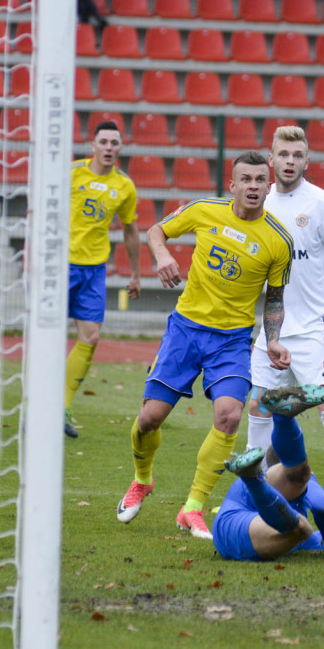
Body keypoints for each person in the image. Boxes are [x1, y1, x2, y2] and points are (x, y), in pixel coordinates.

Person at [115, 151, 294, 539]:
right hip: (185, 331)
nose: (252, 186)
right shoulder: (204, 210)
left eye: (259, 180)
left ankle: (193, 507)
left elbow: (275, 297)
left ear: (270, 186)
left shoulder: (280, 241)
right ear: (232, 185)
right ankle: (141, 480)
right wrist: (162, 256)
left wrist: (274, 340)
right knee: (149, 419)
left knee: (229, 416)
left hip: (230, 341)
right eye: (244, 179)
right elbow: (155, 231)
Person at [245, 125, 324, 525]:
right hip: (272, 334)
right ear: (271, 158)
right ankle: (253, 493)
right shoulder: (259, 205)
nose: (290, 161)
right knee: (259, 411)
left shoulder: (322, 203)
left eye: (298, 155)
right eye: (284, 154)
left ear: (307, 161)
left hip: (316, 332)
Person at [214, 385, 324, 561]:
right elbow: (322, 506)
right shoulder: (304, 482)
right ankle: (258, 470)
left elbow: (313, 539)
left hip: (227, 530)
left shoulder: (266, 488)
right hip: (247, 532)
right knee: (301, 526)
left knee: (300, 528)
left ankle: (282, 420)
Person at [63, 121, 141, 438]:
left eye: (114, 143)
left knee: (91, 337)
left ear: (120, 148)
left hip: (94, 268)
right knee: (49, 336)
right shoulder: (70, 173)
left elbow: (130, 230)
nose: (109, 147)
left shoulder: (125, 186)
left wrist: (136, 273)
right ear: (92, 145)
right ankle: (38, 403)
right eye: (103, 141)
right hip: (61, 263)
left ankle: (61, 407)